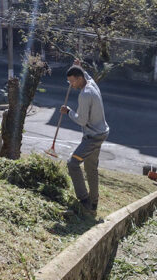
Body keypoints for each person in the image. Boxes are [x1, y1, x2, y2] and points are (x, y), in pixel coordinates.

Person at [60, 60, 109, 215]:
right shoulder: (92, 83)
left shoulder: (85, 95)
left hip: (93, 137)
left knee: (73, 164)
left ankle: (84, 200)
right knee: (90, 169)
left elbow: (81, 120)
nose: (71, 85)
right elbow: (87, 75)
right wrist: (79, 66)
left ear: (79, 79)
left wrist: (68, 111)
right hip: (100, 133)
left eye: (72, 81)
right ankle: (93, 204)